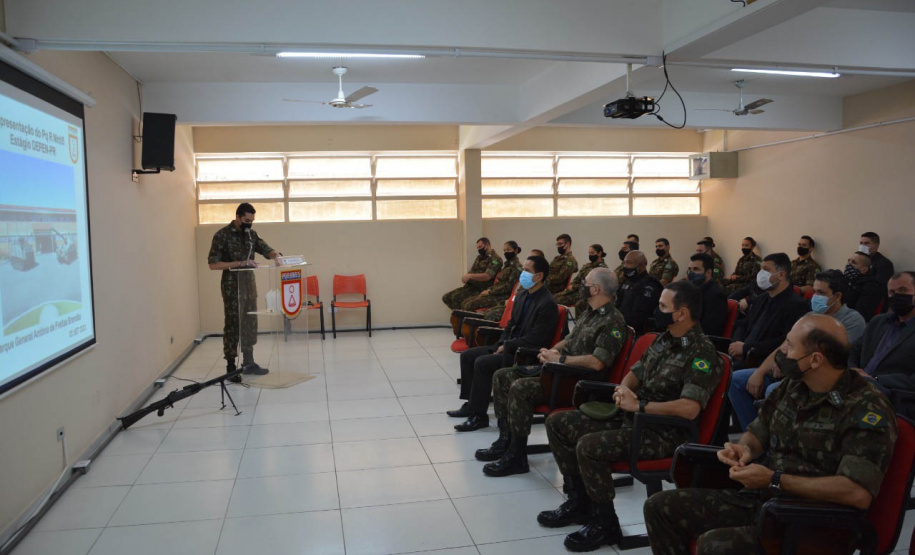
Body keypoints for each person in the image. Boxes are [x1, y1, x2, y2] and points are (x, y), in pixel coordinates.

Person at [645, 314, 898, 555]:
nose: (783, 352)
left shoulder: (865, 408)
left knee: (715, 545)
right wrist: (744, 449)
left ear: (816, 360)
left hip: (814, 522)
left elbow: (857, 493)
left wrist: (775, 479)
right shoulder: (794, 385)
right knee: (659, 507)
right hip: (765, 502)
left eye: (790, 345)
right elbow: (759, 431)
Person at [539, 281, 723, 552]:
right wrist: (624, 390)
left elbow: (689, 408)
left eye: (662, 306)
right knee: (558, 423)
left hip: (662, 432)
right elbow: (636, 372)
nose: (656, 311)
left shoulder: (701, 353)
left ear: (682, 313)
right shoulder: (664, 338)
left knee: (588, 447)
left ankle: (605, 523)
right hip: (633, 417)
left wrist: (641, 407)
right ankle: (579, 502)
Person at [478, 268, 628, 477]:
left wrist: (561, 359)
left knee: (520, 387)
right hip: (560, 372)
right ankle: (507, 440)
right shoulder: (590, 312)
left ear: (595, 289)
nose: (580, 286)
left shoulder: (613, 320)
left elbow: (597, 363)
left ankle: (517, 456)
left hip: (577, 383)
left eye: (585, 282)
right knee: (503, 376)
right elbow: (571, 339)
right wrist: (554, 350)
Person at [729, 270, 867, 430]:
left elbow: (826, 356)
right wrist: (759, 373)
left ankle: (777, 441)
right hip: (788, 370)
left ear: (837, 296)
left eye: (821, 292)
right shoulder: (809, 316)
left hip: (815, 377)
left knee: (772, 390)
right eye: (814, 291)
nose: (815, 296)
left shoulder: (852, 320)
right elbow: (784, 346)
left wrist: (787, 362)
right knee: (737, 380)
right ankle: (755, 434)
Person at [449, 255, 559, 431]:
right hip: (507, 346)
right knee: (468, 356)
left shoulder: (547, 303)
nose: (522, 274)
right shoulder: (522, 295)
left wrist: (507, 347)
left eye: (527, 271)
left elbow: (537, 339)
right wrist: (501, 343)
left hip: (525, 353)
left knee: (483, 363)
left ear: (539, 276)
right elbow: (510, 325)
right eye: (523, 269)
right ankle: (472, 405)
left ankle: (479, 416)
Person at [207, 203, 280, 381]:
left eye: (252, 221)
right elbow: (213, 264)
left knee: (250, 324)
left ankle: (249, 362)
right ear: (238, 217)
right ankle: (231, 367)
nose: (249, 224)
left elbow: (265, 248)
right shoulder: (221, 235)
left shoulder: (250, 235)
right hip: (232, 289)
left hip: (249, 287)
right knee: (233, 325)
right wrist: (240, 263)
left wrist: (277, 256)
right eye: (247, 220)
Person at [849, 271, 915, 418]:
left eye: (903, 290)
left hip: (892, 396)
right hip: (856, 385)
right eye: (891, 292)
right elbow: (854, 350)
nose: (896, 296)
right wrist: (853, 369)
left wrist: (875, 380)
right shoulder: (878, 322)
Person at [728, 253, 809, 370]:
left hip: (761, 363)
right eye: (761, 269)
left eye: (766, 270)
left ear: (781, 275)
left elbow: (784, 342)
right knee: (703, 366)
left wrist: (746, 348)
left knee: (722, 376)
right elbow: (744, 323)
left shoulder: (796, 305)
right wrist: (736, 345)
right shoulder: (762, 298)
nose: (760, 274)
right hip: (739, 355)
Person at [481, 249, 545, 322]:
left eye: (532, 258)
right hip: (513, 303)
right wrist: (511, 301)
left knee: (490, 315)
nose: (529, 260)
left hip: (522, 308)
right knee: (487, 312)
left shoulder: (540, 280)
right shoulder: (527, 279)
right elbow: (519, 293)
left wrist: (514, 302)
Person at [460, 241, 523, 312]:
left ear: (516, 251)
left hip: (502, 296)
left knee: (469, 305)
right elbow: (498, 283)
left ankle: (473, 322)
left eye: (508, 250)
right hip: (495, 293)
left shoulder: (517, 267)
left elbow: (508, 286)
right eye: (504, 250)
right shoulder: (507, 265)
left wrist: (490, 291)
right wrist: (489, 290)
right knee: (465, 302)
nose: (506, 252)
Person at [442, 237, 502, 310]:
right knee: (446, 297)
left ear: (487, 245)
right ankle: (460, 317)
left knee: (456, 298)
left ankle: (462, 318)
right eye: (478, 247)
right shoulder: (479, 258)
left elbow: (487, 276)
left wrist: (470, 276)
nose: (479, 249)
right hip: (471, 286)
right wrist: (466, 277)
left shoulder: (495, 259)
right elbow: (472, 271)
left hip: (482, 289)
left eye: (480, 247)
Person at [616, 251, 661, 333]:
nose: (625, 266)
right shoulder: (626, 282)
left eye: (629, 263)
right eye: (624, 263)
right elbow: (617, 304)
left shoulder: (650, 284)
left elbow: (640, 315)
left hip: (637, 331)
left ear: (640, 265)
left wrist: (619, 324)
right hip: (621, 326)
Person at [555, 244, 608, 311]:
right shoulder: (587, 265)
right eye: (589, 253)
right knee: (553, 298)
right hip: (577, 290)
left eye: (592, 253)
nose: (590, 255)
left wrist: (574, 287)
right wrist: (572, 285)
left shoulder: (602, 269)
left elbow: (592, 286)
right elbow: (578, 278)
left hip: (587, 293)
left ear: (599, 253)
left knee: (558, 300)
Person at [686, 253, 728, 336]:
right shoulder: (692, 290)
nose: (691, 273)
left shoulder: (716, 295)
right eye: (690, 269)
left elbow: (710, 329)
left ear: (708, 273)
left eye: (696, 269)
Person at [844, 251, 884, 322]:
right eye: (848, 261)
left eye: (853, 262)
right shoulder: (846, 281)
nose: (848, 264)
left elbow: (862, 315)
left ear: (864, 270)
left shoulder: (872, 287)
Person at [859, 232, 895, 307]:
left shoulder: (884, 264)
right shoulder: (858, 261)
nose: (862, 246)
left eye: (866, 243)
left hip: (873, 303)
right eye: (861, 243)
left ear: (876, 245)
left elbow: (879, 288)